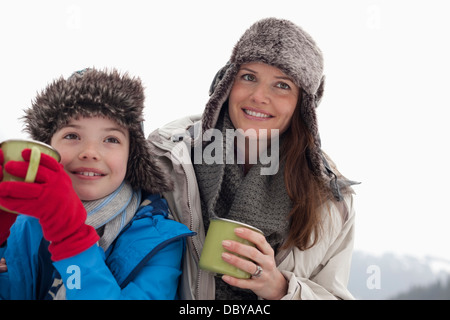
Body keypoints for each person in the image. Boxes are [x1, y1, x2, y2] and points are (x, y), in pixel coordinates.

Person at [147, 18, 358, 300]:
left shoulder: (332, 201)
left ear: (303, 107)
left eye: (282, 85)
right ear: (226, 83)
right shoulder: (166, 157)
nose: (259, 96)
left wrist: (282, 289)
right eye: (248, 77)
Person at [0, 68, 194, 300]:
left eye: (111, 139)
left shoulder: (160, 240)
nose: (90, 153)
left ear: (131, 156)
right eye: (72, 136)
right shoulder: (22, 224)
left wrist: (71, 237)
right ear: (47, 148)